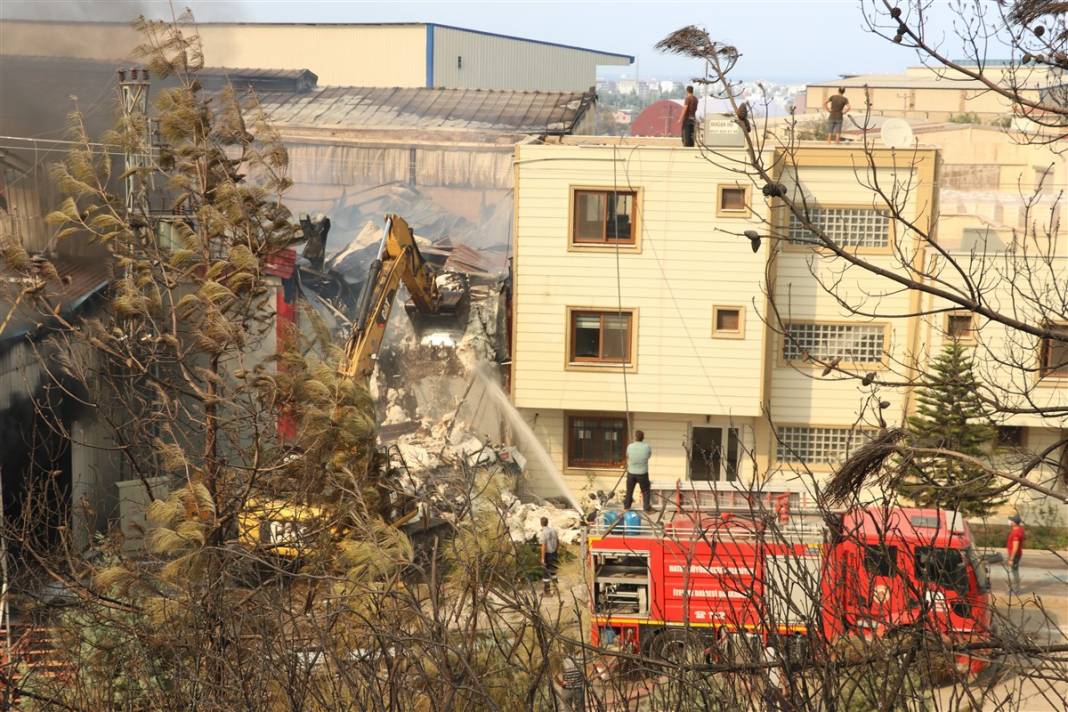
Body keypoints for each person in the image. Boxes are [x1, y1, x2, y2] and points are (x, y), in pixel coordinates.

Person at [623, 430, 653, 513]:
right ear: (643, 438)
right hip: (642, 473)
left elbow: (627, 455)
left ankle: (626, 507)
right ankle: (646, 508)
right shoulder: (647, 447)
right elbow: (648, 456)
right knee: (645, 490)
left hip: (631, 473)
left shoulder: (630, 446)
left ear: (635, 437)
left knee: (629, 490)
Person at [539, 516, 559, 596]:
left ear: (541, 523)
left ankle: (547, 591)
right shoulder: (553, 531)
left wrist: (543, 558)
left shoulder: (543, 533)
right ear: (547, 522)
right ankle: (556, 590)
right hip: (554, 553)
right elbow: (558, 542)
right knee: (553, 572)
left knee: (546, 573)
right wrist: (556, 551)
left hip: (547, 554)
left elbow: (543, 546)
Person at [1006, 513, 1026, 594]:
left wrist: (1011, 558)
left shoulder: (1016, 533)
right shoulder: (1020, 530)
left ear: (1014, 522)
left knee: (1014, 571)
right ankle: (1015, 588)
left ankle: (1016, 589)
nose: (1009, 521)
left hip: (1015, 555)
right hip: (1017, 554)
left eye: (1011, 520)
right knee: (1015, 571)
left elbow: (1015, 547)